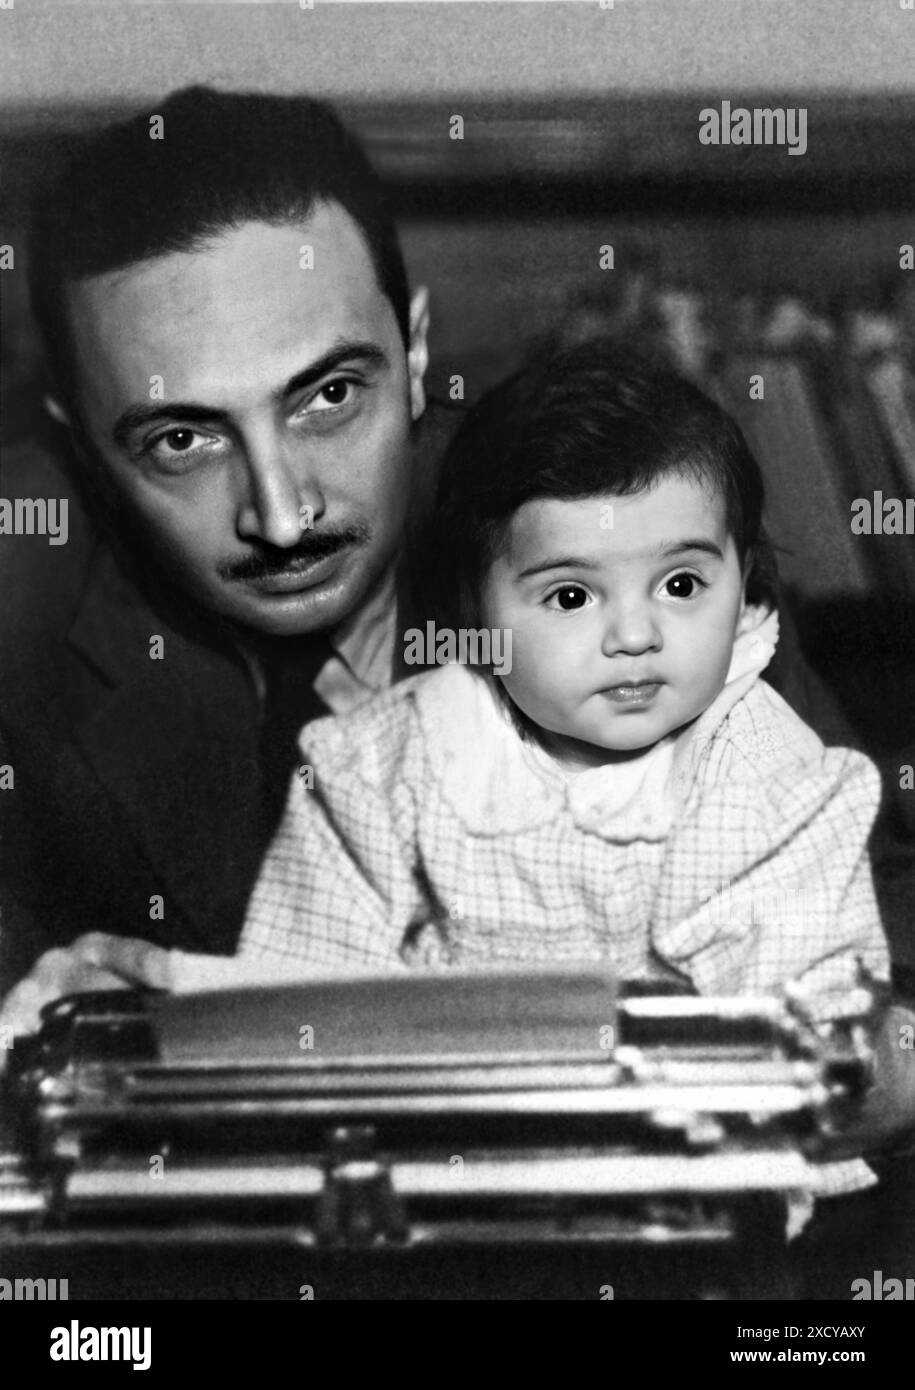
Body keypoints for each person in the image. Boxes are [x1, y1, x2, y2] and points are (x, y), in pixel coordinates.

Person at [228, 345, 915, 1169]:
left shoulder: (770, 771)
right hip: (438, 1165)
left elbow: (799, 1035)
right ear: (470, 609)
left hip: (704, 1170)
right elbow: (297, 1008)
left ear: (744, 587)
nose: (634, 636)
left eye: (682, 585)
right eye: (569, 596)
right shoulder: (388, 764)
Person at [0, 85, 456, 996]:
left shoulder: (634, 558)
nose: (283, 518)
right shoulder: (24, 674)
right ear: (84, 447)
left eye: (327, 398)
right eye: (183, 441)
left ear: (412, 358)